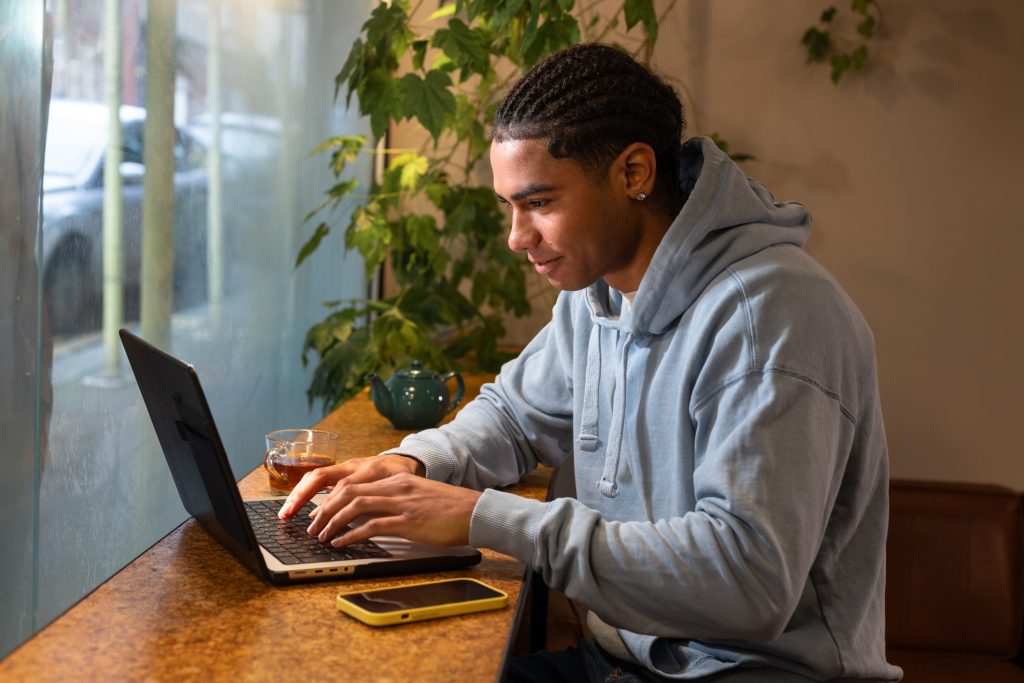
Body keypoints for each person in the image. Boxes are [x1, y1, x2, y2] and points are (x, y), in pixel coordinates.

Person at [280, 43, 901, 682]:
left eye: (540, 203)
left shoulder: (770, 315)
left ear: (633, 173)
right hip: (618, 661)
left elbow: (747, 578)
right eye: (510, 207)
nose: (517, 239)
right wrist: (411, 465)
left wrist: (478, 516)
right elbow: (514, 416)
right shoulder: (596, 291)